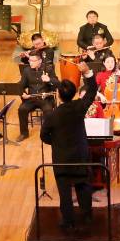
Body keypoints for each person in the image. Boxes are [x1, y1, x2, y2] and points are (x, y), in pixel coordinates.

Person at [40, 61, 98, 231]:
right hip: (80, 155)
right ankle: (87, 216)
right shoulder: (80, 107)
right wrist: (87, 72)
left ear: (58, 95)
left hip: (62, 158)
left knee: (64, 192)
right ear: (74, 94)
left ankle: (68, 221)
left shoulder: (51, 115)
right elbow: (92, 91)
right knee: (83, 186)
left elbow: (44, 136)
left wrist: (56, 143)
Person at [16, 52, 57, 142]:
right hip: (31, 99)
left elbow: (57, 84)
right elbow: (20, 85)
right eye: (29, 60)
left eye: (33, 61)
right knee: (21, 109)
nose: (30, 62)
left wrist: (49, 80)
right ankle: (24, 133)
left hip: (46, 99)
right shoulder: (26, 71)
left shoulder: (49, 69)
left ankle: (47, 133)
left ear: (40, 61)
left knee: (48, 111)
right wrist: (23, 94)